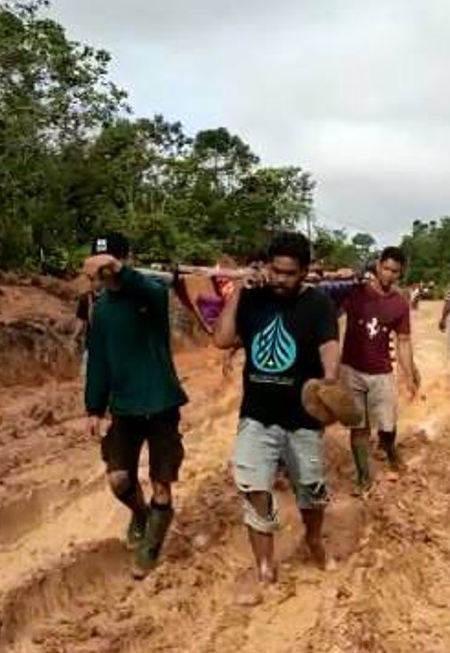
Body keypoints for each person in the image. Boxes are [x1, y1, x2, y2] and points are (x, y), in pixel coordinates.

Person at [214, 232, 340, 585]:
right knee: (254, 486)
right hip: (257, 415)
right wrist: (239, 289)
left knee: (311, 490)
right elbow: (222, 339)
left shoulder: (318, 304)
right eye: (276, 270)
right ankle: (265, 564)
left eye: (289, 273)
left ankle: (313, 538)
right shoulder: (252, 298)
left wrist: (329, 381)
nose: (281, 279)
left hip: (303, 418)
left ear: (304, 271)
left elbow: (329, 345)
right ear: (267, 266)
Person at [84, 232, 188, 579]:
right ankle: (141, 515)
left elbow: (152, 291)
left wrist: (120, 270)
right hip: (124, 407)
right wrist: (94, 408)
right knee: (117, 478)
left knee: (162, 481)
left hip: (160, 403)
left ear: (126, 259)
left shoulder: (150, 295)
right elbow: (98, 360)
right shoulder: (100, 310)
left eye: (112, 262)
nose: (107, 271)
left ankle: (150, 550)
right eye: (101, 263)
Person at [337, 247, 419, 494]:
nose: (389, 274)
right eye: (386, 268)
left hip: (382, 372)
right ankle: (364, 476)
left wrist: (409, 374)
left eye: (395, 271)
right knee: (358, 426)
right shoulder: (355, 293)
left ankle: (390, 449)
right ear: (378, 265)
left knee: (387, 424)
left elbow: (403, 341)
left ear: (401, 273)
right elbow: (327, 307)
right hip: (351, 369)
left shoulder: (399, 305)